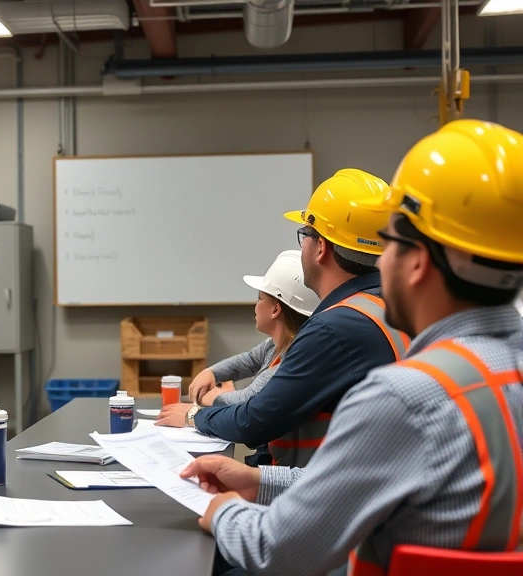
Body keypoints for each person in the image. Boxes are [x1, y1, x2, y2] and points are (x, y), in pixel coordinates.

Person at [182, 118, 523, 576]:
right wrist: (260, 480)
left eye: (389, 244)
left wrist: (223, 510)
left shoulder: (404, 397)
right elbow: (370, 481)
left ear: (417, 262)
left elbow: (277, 550)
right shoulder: (501, 369)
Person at [158, 169, 410, 467]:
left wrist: (194, 416)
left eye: (305, 235)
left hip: (319, 489)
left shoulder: (334, 329)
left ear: (320, 247)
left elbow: (255, 420)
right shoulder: (390, 308)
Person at [183, 250, 318, 409]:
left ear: (275, 310)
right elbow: (250, 360)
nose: (256, 304)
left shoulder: (288, 362)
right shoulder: (275, 345)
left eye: (260, 298)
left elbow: (250, 399)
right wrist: (212, 372)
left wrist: (213, 398)